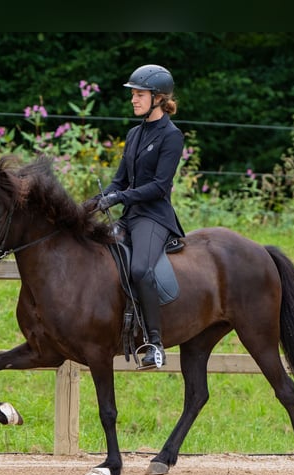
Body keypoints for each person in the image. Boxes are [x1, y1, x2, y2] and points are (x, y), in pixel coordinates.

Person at [95, 64, 185, 369]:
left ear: (158, 98)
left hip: (154, 217)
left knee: (141, 270)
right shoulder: (134, 134)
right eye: (133, 94)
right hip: (131, 214)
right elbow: (120, 180)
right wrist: (99, 200)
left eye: (139, 94)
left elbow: (159, 186)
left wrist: (119, 197)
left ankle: (155, 344)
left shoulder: (171, 137)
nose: (134, 99)